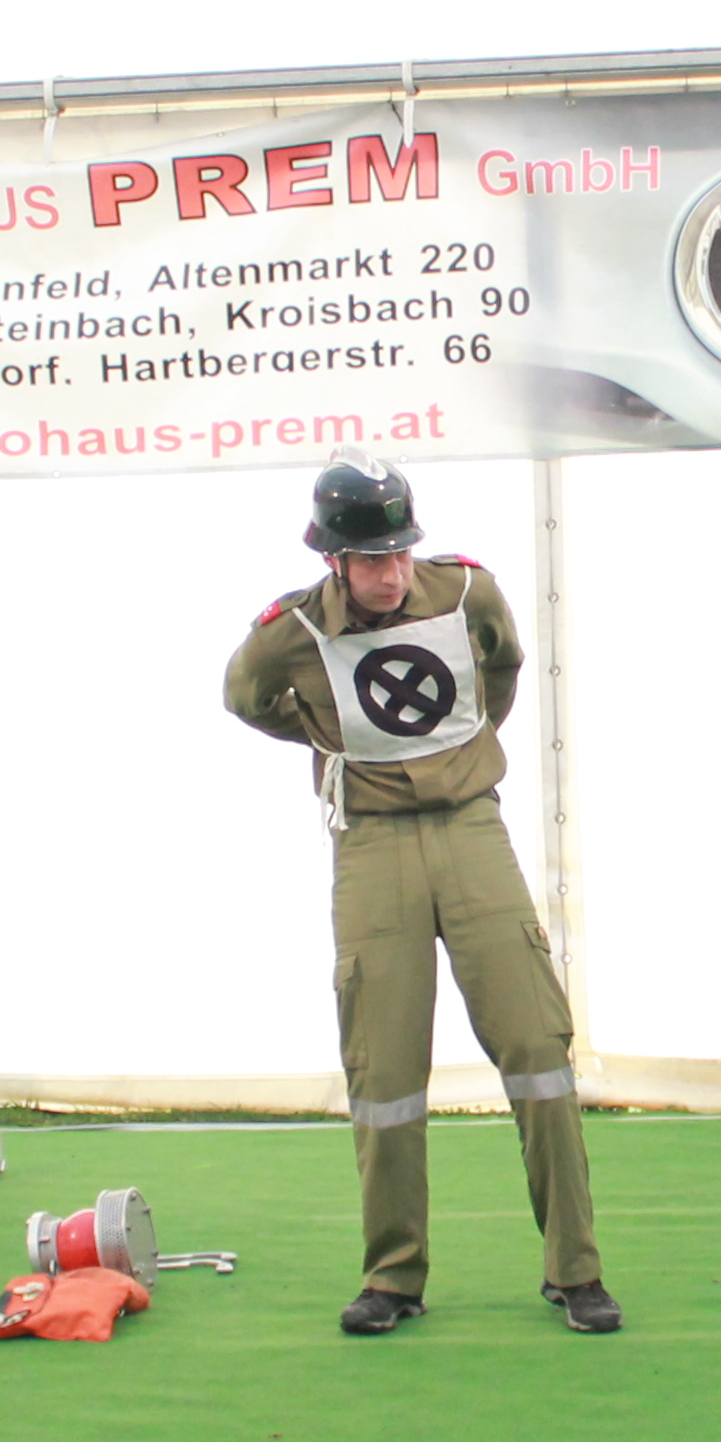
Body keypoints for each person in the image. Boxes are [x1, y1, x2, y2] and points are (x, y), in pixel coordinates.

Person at [224, 453, 617, 1335]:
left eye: (401, 552)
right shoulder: (292, 630)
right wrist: (323, 735)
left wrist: (465, 749)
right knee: (384, 1067)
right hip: (371, 845)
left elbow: (503, 668)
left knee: (537, 1045)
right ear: (334, 560)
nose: (392, 574)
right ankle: (393, 1276)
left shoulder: (468, 592)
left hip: (473, 828)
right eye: (372, 560)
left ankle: (576, 1270)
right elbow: (245, 698)